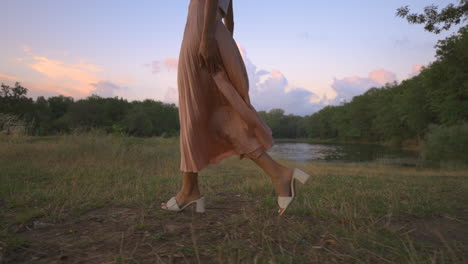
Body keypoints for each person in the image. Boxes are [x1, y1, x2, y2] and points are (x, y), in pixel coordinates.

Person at [161, 0, 310, 215]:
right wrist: (220, 41)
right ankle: (278, 174)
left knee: (193, 114)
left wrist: (207, 38)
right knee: (221, 115)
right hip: (213, 33)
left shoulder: (205, 34)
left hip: (202, 32)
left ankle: (189, 191)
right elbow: (229, 14)